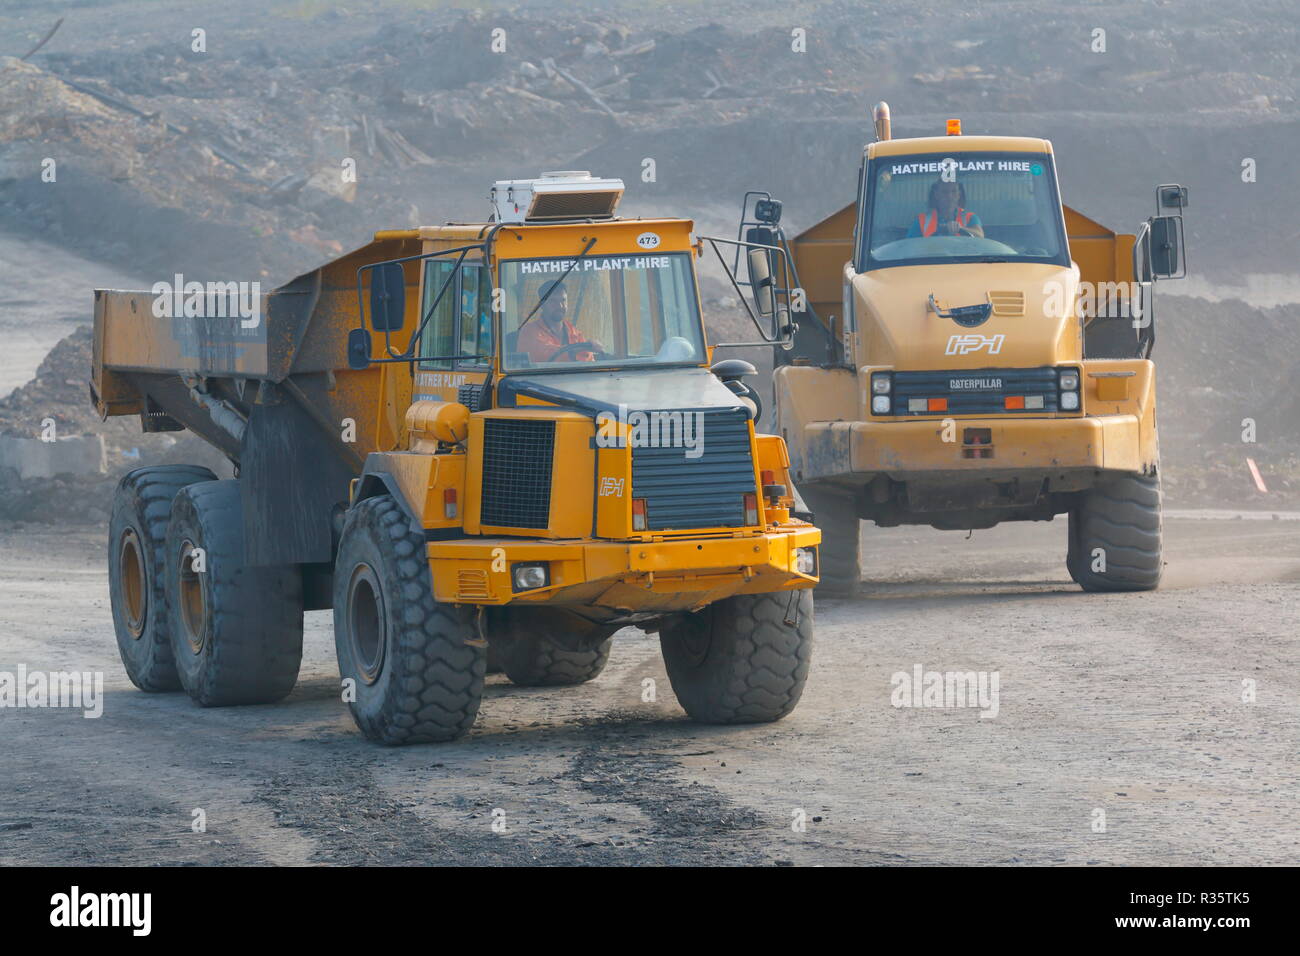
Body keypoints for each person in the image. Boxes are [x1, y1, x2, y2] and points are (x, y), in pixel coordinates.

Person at [516, 280, 601, 363]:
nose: (560, 305)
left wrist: (589, 346)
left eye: (563, 300)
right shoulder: (529, 331)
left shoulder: (574, 333)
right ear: (542, 304)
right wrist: (578, 349)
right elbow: (543, 356)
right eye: (553, 301)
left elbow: (589, 362)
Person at [906, 179, 985, 238]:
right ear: (936, 195)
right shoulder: (921, 220)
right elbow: (910, 245)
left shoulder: (970, 217)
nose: (949, 196)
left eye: (954, 191)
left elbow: (980, 236)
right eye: (944, 192)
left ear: (959, 195)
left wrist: (961, 228)